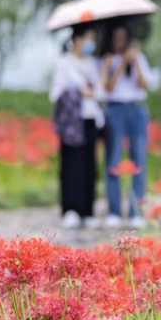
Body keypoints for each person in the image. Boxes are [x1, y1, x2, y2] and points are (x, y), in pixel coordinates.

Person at [50, 25, 105, 230]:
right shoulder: (64, 63)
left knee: (90, 166)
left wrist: (92, 91)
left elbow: (100, 91)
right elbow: (55, 93)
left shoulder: (92, 63)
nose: (91, 43)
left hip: (90, 118)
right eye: (88, 39)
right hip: (72, 121)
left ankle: (87, 210)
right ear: (76, 39)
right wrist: (78, 90)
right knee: (71, 164)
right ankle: (70, 209)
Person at [101, 24, 151, 230]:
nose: (119, 42)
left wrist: (135, 61)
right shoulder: (109, 60)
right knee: (113, 159)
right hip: (115, 109)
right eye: (116, 38)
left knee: (138, 158)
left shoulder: (139, 59)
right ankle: (114, 210)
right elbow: (108, 87)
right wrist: (121, 64)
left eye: (123, 38)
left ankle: (135, 210)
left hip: (136, 109)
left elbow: (145, 85)